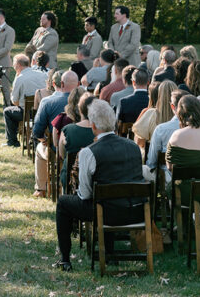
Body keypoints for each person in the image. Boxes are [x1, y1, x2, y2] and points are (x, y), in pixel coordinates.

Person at [55, 99, 146, 272]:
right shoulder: (134, 147)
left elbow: (85, 194)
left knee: (64, 203)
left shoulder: (89, 152)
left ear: (94, 126)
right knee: (109, 196)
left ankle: (65, 259)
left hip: (105, 212)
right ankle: (109, 253)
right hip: (136, 210)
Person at [32, 70, 79, 197]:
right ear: (78, 84)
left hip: (57, 149)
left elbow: (37, 131)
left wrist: (44, 140)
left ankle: (41, 188)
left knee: (39, 150)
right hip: (83, 147)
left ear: (59, 84)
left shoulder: (47, 102)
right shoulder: (85, 101)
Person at [3, 54, 48, 147]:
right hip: (42, 110)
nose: (13, 66)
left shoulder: (20, 78)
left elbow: (14, 101)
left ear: (18, 65)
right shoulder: (43, 75)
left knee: (7, 111)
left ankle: (12, 141)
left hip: (27, 113)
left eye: (14, 64)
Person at [59, 92, 95, 190]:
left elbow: (62, 154)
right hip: (95, 179)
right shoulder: (101, 131)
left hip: (71, 178)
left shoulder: (67, 130)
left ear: (79, 109)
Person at [133, 80, 176, 154]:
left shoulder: (150, 114)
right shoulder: (183, 117)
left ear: (159, 95)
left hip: (153, 160)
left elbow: (139, 142)